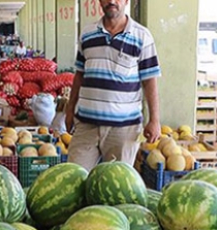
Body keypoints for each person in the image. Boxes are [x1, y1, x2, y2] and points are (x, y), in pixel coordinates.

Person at [64, 0, 161, 171]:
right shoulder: (87, 34)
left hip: (123, 129)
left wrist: (154, 120)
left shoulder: (142, 36)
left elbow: (149, 80)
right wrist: (70, 109)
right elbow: (79, 75)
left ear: (126, 1)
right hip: (86, 124)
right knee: (74, 178)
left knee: (117, 186)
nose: (112, 2)